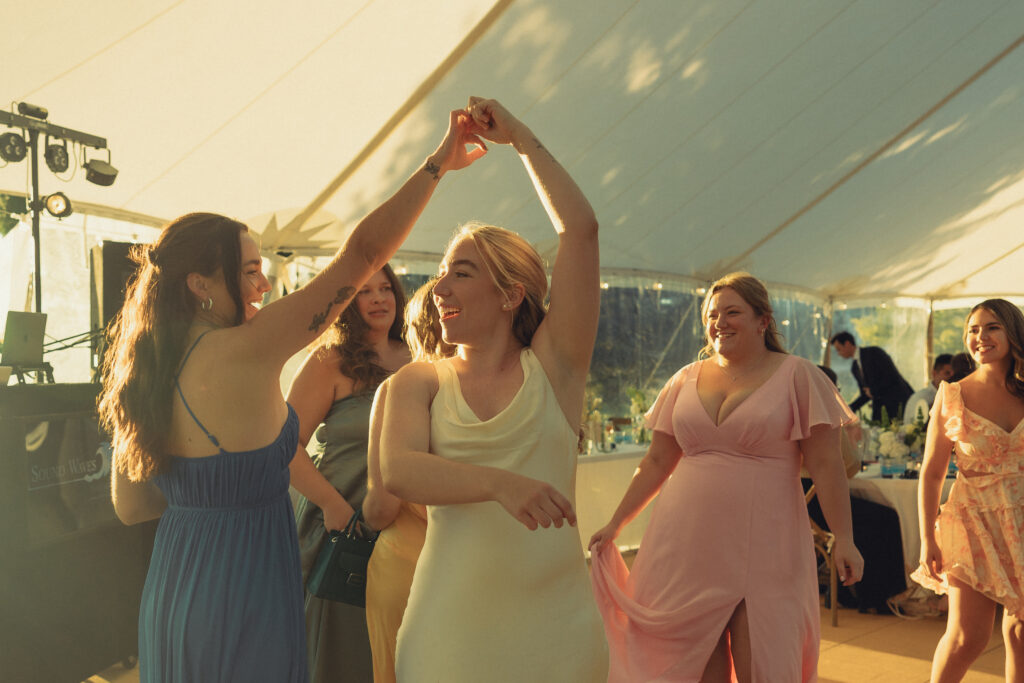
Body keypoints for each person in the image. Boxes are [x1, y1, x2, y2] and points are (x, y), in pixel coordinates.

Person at [98, 109, 487, 683]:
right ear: (201, 285)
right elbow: (362, 257)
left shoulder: (141, 373)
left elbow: (130, 507)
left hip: (176, 591)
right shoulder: (251, 349)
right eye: (249, 270)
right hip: (245, 589)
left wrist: (202, 495)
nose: (262, 285)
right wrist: (437, 165)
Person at [380, 97, 609, 681]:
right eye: (440, 275)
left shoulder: (555, 368)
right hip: (446, 635)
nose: (439, 289)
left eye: (461, 272)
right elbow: (399, 471)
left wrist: (520, 138)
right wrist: (498, 484)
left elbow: (580, 231)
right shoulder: (421, 380)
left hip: (558, 635)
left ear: (510, 296)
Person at [589, 272, 864, 682]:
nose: (719, 322)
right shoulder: (684, 378)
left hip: (765, 544)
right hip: (684, 541)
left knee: (763, 661)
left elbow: (826, 465)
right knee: (692, 665)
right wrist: (616, 523)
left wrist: (844, 537)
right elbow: (657, 461)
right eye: (711, 315)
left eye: (732, 312)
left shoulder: (798, 375)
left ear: (762, 320)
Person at [285, 264, 409, 682]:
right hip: (342, 526)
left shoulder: (422, 356)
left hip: (410, 530)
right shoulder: (329, 360)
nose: (378, 298)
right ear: (344, 302)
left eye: (385, 288)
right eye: (364, 291)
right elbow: (283, 447)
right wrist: (331, 505)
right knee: (344, 658)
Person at [912, 299, 1024, 682]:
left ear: (1013, 332)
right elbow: (931, 474)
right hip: (971, 522)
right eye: (973, 330)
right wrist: (928, 540)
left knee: (1022, 633)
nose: (981, 337)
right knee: (967, 637)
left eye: (992, 327)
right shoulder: (952, 395)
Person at [363, 278, 455, 682]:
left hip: (404, 566)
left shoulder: (395, 390)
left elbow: (382, 507)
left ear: (415, 329)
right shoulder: (495, 392)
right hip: (474, 563)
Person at [831, 331, 914, 422]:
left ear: (847, 344)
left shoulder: (874, 352)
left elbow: (890, 377)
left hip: (898, 403)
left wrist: (872, 391)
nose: (839, 354)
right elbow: (865, 394)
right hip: (881, 409)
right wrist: (850, 408)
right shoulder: (854, 368)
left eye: (839, 349)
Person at [905, 354, 954, 425]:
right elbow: (911, 430)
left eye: (954, 375)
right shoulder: (920, 398)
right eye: (947, 373)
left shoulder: (958, 396)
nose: (951, 378)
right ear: (934, 374)